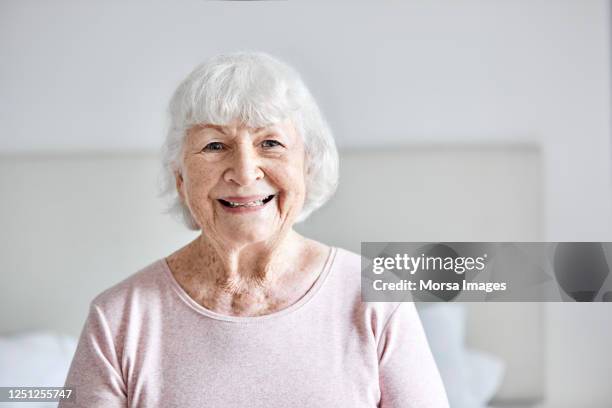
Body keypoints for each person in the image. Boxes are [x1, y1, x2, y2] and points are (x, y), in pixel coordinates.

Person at [60, 51, 449, 407]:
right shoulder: (118, 318)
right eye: (214, 145)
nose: (245, 172)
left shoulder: (377, 298)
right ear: (180, 178)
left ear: (307, 168)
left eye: (270, 143)